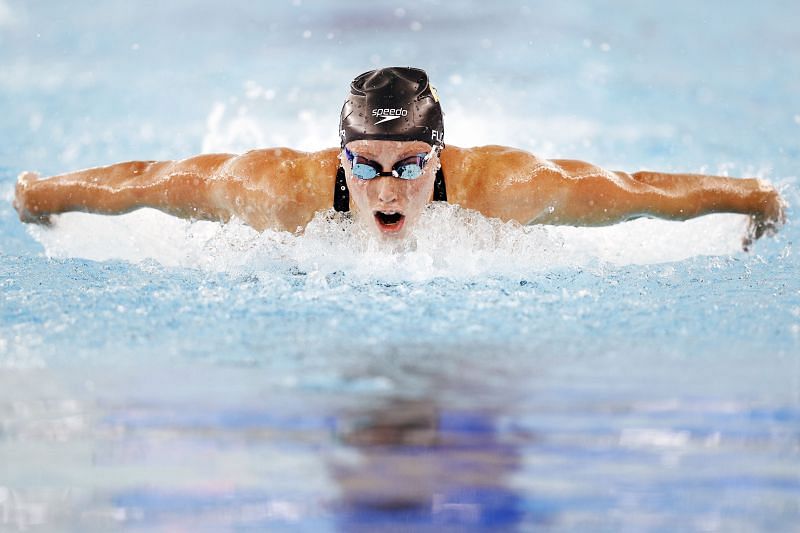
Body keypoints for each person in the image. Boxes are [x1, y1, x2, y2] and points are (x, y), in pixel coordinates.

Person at [13, 67, 785, 250]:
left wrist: (753, 197)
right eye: (369, 165)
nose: (388, 187)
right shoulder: (276, 190)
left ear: (440, 157)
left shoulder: (507, 187)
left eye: (412, 165)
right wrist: (43, 193)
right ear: (340, 157)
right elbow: (147, 182)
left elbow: (640, 189)